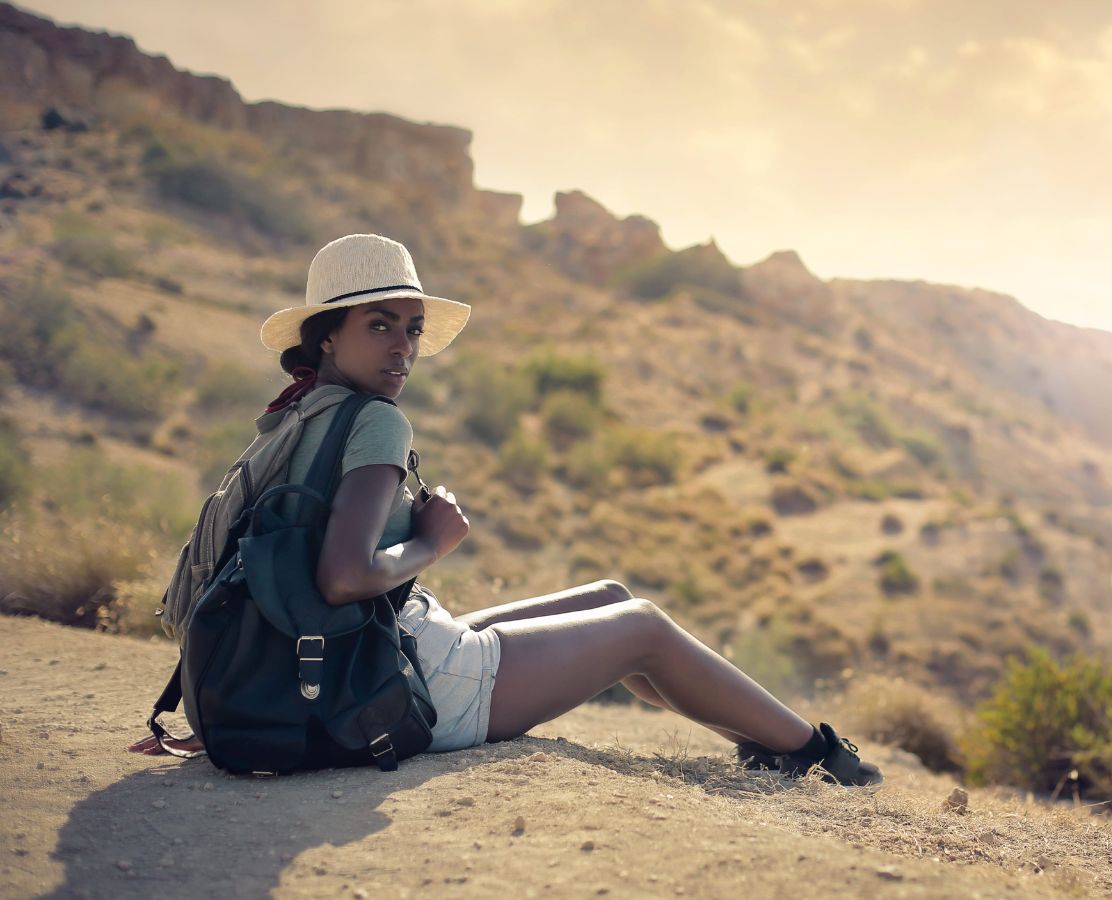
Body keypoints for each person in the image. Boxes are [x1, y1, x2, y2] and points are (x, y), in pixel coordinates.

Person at [129, 233, 882, 787]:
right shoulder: (374, 421)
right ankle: (820, 756)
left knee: (611, 600)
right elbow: (341, 577)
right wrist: (435, 540)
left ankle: (763, 745)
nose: (403, 347)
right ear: (328, 334)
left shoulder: (294, 417)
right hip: (405, 681)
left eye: (412, 327)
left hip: (376, 648)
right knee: (643, 626)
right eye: (379, 325)